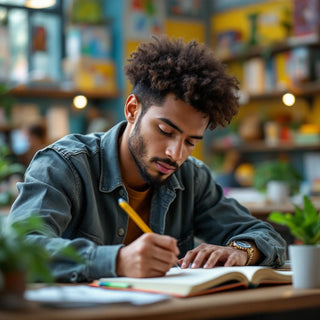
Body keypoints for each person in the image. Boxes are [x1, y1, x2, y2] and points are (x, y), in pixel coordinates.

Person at [9, 36, 286, 282]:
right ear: (132, 110)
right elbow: (21, 248)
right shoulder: (64, 165)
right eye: (165, 131)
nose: (175, 154)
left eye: (191, 141)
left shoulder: (191, 177)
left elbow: (265, 235)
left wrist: (241, 251)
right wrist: (116, 261)